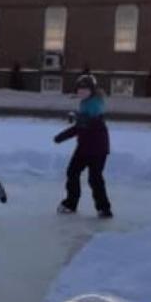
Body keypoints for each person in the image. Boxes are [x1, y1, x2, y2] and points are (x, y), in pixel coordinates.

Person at [53, 74, 113, 218]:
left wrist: (62, 136)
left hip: (97, 149)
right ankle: (71, 204)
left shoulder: (94, 104)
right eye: (79, 89)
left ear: (91, 90)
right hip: (84, 147)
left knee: (94, 178)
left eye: (84, 89)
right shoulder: (85, 103)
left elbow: (82, 126)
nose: (81, 92)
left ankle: (104, 209)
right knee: (73, 172)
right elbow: (81, 126)